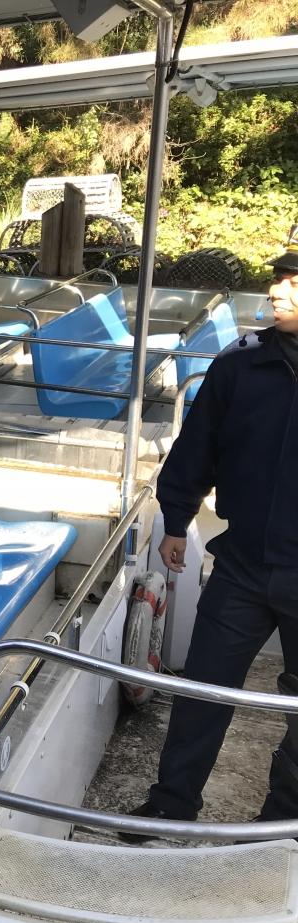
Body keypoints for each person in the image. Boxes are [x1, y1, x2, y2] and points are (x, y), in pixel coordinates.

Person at [122, 229, 298, 842]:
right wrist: (176, 518)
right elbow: (198, 447)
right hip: (243, 565)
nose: (277, 289)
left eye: (294, 282)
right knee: (202, 689)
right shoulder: (239, 367)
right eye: (279, 277)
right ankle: (171, 803)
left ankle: (281, 825)